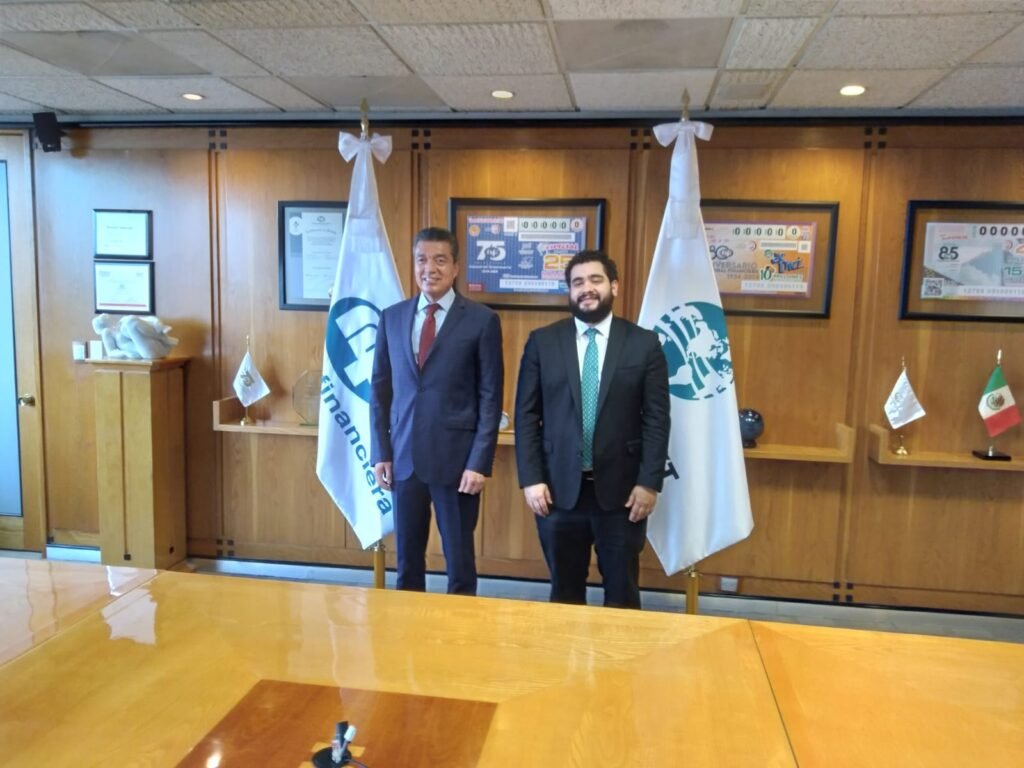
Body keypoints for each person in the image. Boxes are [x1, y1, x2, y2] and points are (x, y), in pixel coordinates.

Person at [514, 250, 669, 609]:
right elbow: (526, 416)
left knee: (622, 594)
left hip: (623, 495)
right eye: (577, 282)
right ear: (569, 291)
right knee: (564, 594)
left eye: (595, 280)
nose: (586, 288)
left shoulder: (644, 344)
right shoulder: (542, 342)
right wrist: (531, 479)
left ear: (613, 286)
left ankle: (619, 649)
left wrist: (648, 483)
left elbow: (657, 419)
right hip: (557, 493)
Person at [370, 227, 503, 595]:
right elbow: (380, 390)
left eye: (440, 260)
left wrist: (479, 462)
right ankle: (409, 625)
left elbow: (490, 397)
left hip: (457, 464)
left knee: (459, 565)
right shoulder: (392, 317)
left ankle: (460, 629)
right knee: (407, 564)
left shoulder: (481, 320)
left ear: (456, 267)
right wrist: (381, 452)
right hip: (404, 460)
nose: (430, 268)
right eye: (422, 260)